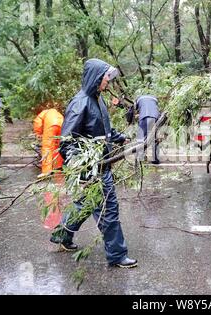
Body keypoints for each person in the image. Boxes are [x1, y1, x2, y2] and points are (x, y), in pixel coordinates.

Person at [50, 59, 137, 268]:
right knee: (108, 209)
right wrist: (82, 170)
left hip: (102, 164)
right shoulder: (80, 103)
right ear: (96, 78)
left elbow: (103, 131)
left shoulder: (98, 100)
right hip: (92, 171)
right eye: (106, 76)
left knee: (84, 205)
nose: (108, 80)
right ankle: (117, 255)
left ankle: (62, 236)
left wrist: (120, 137)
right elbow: (67, 141)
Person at [33, 107, 64, 178]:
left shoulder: (42, 114)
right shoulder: (56, 113)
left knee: (47, 147)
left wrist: (38, 133)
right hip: (61, 123)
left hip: (51, 124)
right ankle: (58, 166)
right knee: (58, 146)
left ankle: (46, 171)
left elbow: (37, 123)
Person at [135, 95, 160, 164]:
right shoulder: (155, 99)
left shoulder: (139, 99)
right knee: (154, 137)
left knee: (141, 137)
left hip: (144, 117)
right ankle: (156, 159)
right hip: (155, 117)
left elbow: (136, 110)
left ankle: (141, 157)